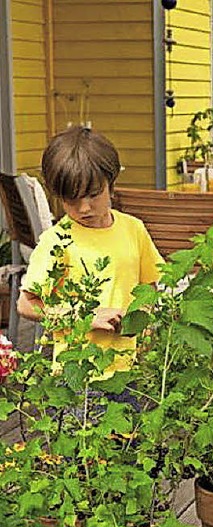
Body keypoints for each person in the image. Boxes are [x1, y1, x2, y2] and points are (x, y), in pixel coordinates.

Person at [17, 126, 163, 374]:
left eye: (94, 195)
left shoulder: (133, 229)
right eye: (72, 199)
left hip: (131, 370)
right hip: (79, 373)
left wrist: (143, 319)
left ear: (111, 183)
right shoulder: (57, 241)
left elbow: (149, 286)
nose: (84, 208)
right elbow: (26, 304)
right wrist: (85, 316)